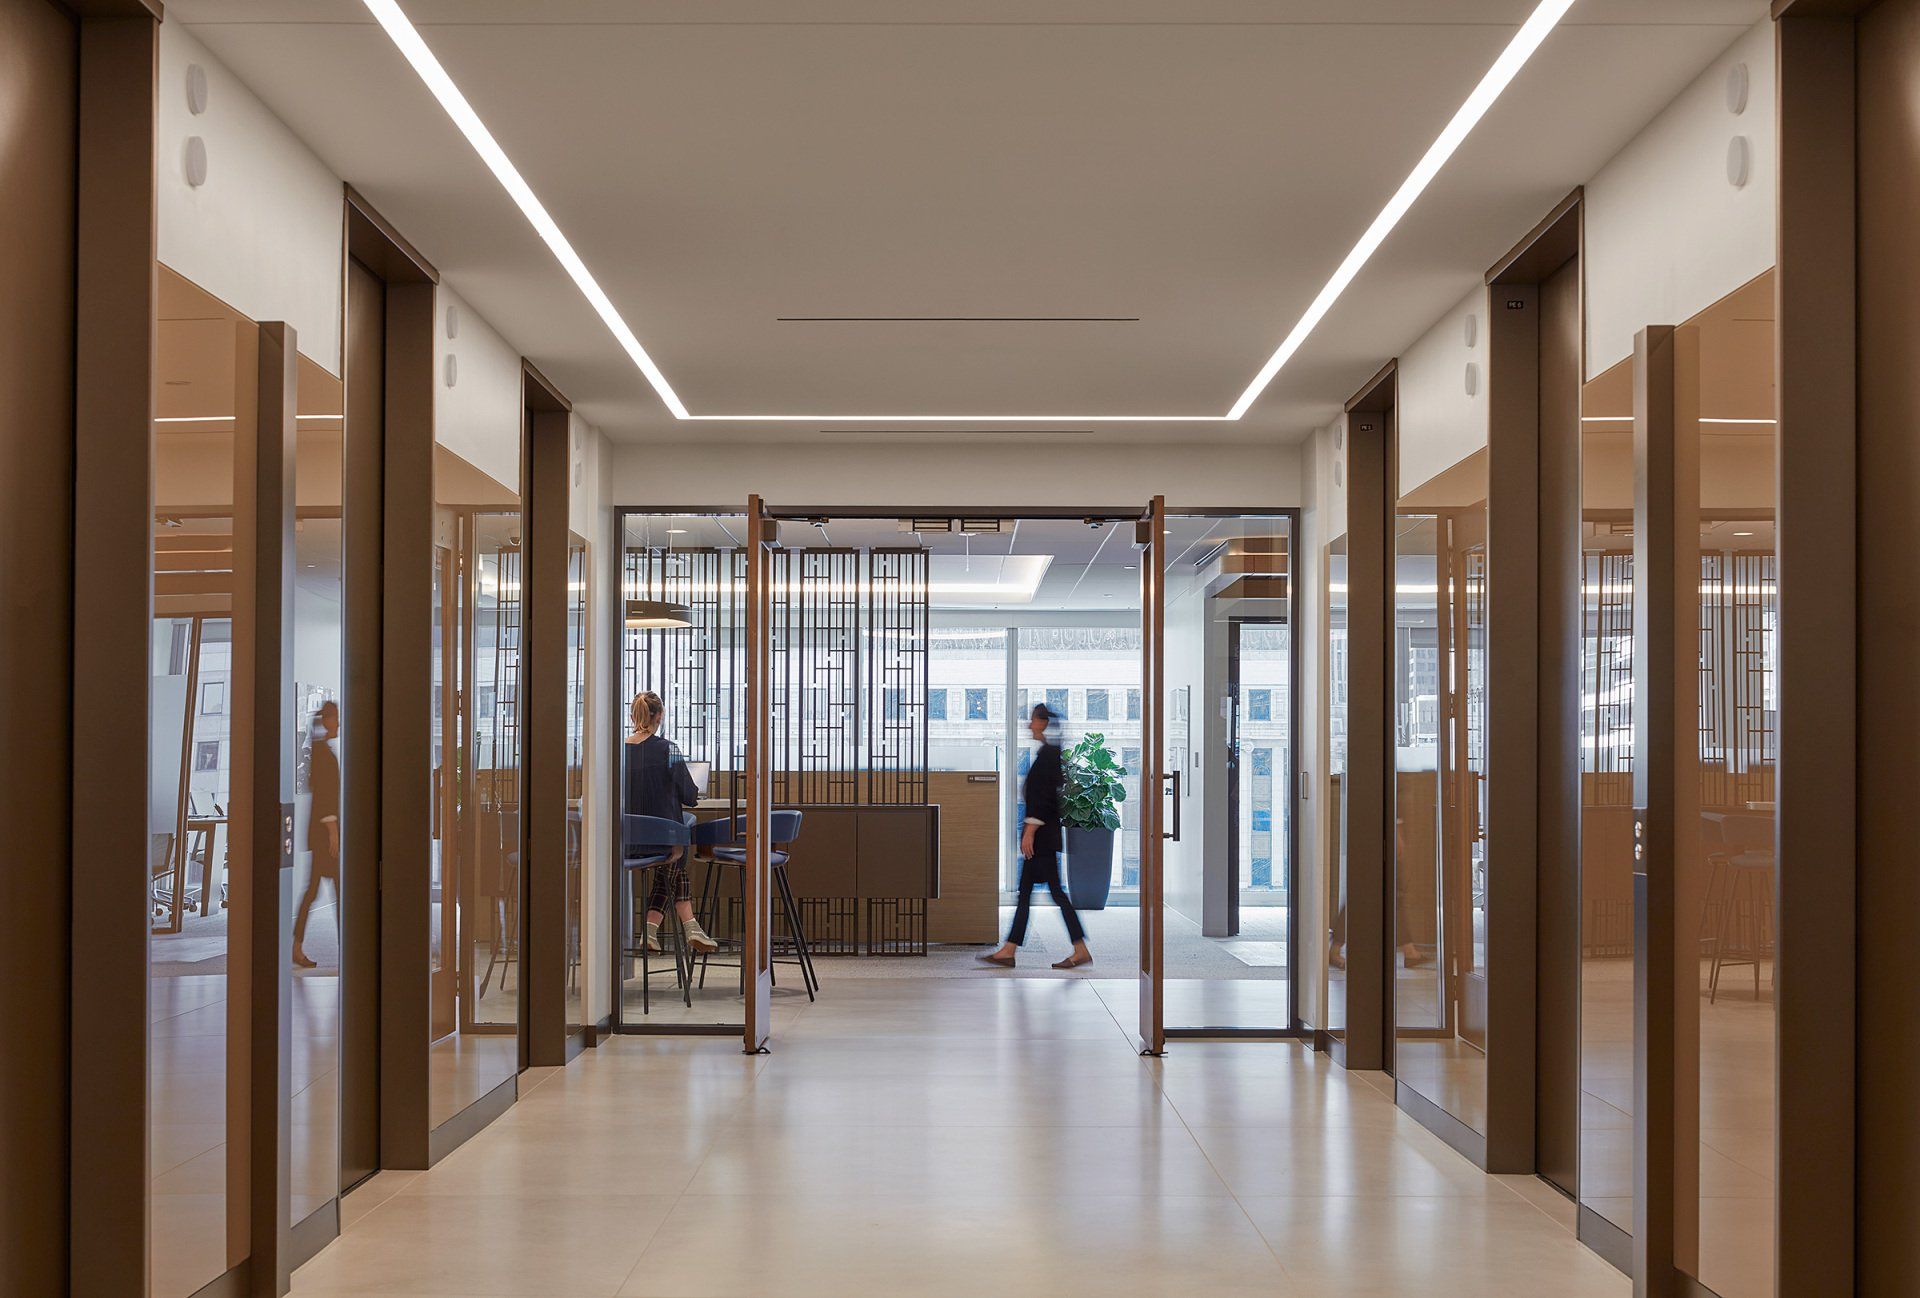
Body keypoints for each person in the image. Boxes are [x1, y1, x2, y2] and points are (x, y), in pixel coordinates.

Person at [979, 703, 1092, 970]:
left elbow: (1044, 799)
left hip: (1041, 837)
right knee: (1031, 893)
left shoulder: (1049, 754)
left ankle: (1078, 949)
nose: (1029, 725)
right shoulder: (1048, 752)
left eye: (1032, 720)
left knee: (1049, 893)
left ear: (1042, 723)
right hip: (1043, 836)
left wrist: (1030, 830)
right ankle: (1011, 950)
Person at [624, 691, 718, 955]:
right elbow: (689, 795)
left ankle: (655, 932)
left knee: (674, 859)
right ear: (660, 716)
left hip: (625, 842)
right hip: (662, 844)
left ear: (633, 716)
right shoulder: (668, 749)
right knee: (677, 851)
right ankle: (687, 927)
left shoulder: (616, 751)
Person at [293, 701, 340, 970]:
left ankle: (296, 946)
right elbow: (325, 797)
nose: (339, 725)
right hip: (324, 836)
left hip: (320, 835)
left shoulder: (321, 751)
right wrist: (333, 831)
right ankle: (347, 948)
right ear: (328, 720)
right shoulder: (323, 754)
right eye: (337, 719)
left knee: (313, 891)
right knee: (331, 892)